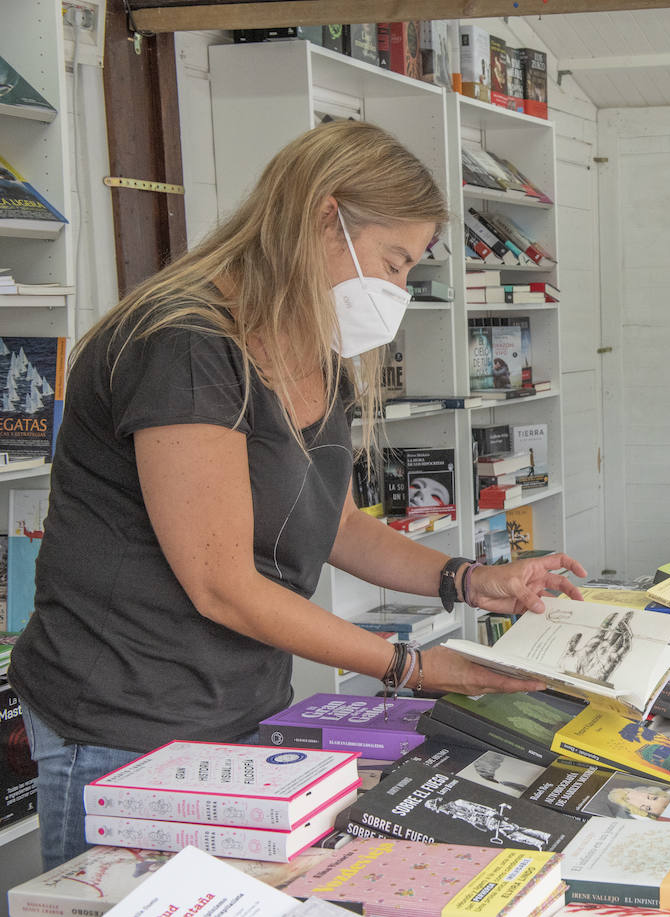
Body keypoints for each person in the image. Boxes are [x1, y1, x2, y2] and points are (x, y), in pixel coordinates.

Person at [9, 121, 587, 870]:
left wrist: (469, 580)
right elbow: (222, 585)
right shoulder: (184, 345)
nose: (398, 290)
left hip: (242, 707)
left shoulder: (317, 348)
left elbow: (337, 523)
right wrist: (407, 666)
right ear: (325, 217)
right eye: (392, 261)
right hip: (121, 720)